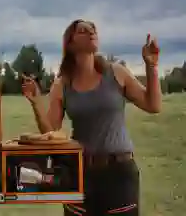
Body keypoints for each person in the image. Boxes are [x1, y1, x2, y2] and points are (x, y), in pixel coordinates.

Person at [21, 19, 162, 216]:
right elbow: (50, 134)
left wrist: (152, 67)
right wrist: (36, 103)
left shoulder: (116, 73)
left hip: (119, 173)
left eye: (93, 29)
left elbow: (153, 105)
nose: (91, 32)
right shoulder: (62, 84)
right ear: (70, 44)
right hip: (79, 173)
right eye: (82, 30)